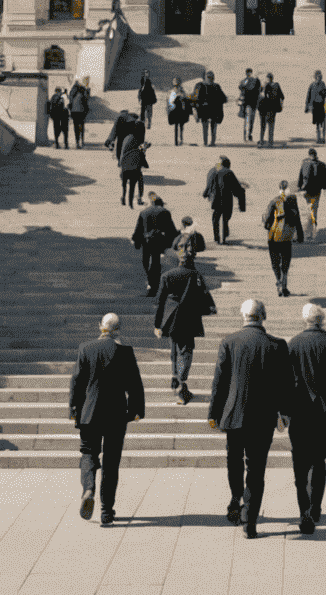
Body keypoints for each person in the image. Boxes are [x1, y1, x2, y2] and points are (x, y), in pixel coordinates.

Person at [208, 298, 292, 538]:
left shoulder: (230, 342)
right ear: (263, 316)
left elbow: (220, 382)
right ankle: (250, 521)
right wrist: (285, 413)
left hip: (234, 415)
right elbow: (285, 385)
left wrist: (213, 413)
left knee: (234, 460)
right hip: (263, 418)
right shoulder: (277, 345)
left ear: (243, 316)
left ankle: (236, 498)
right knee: (256, 469)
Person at [69, 312, 145, 526]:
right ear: (118, 329)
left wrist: (74, 409)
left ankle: (89, 489)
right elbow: (135, 384)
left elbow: (77, 382)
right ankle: (106, 511)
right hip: (115, 415)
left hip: (90, 413)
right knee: (111, 462)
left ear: (100, 326)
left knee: (88, 453)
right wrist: (136, 410)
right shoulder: (125, 352)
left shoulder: (86, 348)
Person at [287, 304, 326, 534]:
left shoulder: (293, 343)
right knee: (318, 459)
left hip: (299, 409)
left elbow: (287, 379)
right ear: (322, 320)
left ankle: (304, 510)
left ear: (305, 320)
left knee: (300, 461)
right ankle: (315, 508)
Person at [154, 246, 216, 405]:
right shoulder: (196, 275)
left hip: (172, 316)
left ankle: (175, 378)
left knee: (174, 347)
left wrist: (158, 325)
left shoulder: (167, 275)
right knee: (186, 350)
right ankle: (181, 382)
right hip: (190, 317)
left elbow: (159, 302)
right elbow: (204, 294)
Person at [132, 192, 179, 297]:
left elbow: (138, 228)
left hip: (146, 241)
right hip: (159, 241)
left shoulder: (144, 212)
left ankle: (151, 282)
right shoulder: (165, 212)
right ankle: (155, 285)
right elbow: (170, 229)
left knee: (146, 261)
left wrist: (136, 241)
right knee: (155, 262)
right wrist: (174, 240)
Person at [263, 179, 304, 297]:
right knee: (285, 262)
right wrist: (300, 236)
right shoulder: (293, 202)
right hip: (287, 237)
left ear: (279, 189)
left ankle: (279, 282)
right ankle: (284, 284)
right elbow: (298, 220)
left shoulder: (274, 201)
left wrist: (266, 225)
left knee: (275, 262)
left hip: (274, 237)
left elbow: (267, 221)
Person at [204, 155, 246, 243]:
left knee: (215, 218)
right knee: (225, 218)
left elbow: (209, 184)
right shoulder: (229, 172)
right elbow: (237, 189)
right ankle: (224, 236)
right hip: (227, 200)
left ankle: (216, 237)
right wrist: (242, 206)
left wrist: (206, 194)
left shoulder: (213, 171)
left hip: (216, 199)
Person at [297, 147, 326, 238]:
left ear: (309, 155)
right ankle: (312, 232)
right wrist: (324, 186)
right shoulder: (322, 165)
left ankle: (308, 231)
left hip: (306, 190)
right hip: (316, 191)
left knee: (309, 208)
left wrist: (299, 187)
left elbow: (300, 177)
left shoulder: (304, 163)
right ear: (316, 155)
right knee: (314, 210)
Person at [118, 135, 148, 207]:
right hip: (135, 172)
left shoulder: (124, 149)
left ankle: (123, 197)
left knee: (124, 184)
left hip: (124, 172)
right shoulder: (139, 152)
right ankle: (139, 198)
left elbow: (120, 162)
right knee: (140, 181)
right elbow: (146, 165)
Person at [198, 70, 226, 147]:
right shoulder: (204, 86)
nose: (210, 79)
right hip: (208, 110)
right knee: (208, 126)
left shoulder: (215, 86)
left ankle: (209, 142)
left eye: (211, 77)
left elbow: (223, 98)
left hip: (211, 110)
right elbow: (198, 98)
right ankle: (208, 142)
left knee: (209, 126)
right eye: (209, 77)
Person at [257, 72, 284, 146]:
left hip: (263, 109)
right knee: (271, 126)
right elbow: (282, 96)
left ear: (267, 78)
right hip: (272, 109)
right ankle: (270, 142)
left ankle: (262, 141)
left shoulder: (264, 86)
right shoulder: (276, 85)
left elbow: (259, 95)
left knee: (263, 126)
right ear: (272, 78)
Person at [166, 77, 191, 146]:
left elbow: (185, 101)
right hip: (175, 110)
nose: (176, 85)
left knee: (180, 125)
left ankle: (180, 138)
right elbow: (169, 102)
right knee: (178, 125)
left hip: (180, 110)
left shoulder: (180, 91)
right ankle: (178, 139)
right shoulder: (173, 91)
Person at [238, 68, 261, 143]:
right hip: (249, 103)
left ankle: (248, 135)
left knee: (249, 120)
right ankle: (247, 135)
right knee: (249, 120)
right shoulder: (246, 80)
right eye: (249, 73)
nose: (249, 74)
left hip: (251, 103)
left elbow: (259, 89)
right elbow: (241, 87)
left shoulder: (253, 80)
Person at [305, 70, 326, 144]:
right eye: (318, 76)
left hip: (322, 105)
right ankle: (318, 138)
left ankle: (323, 138)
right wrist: (307, 106)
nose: (319, 78)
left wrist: (323, 93)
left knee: (323, 122)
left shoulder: (322, 84)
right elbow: (308, 96)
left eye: (320, 76)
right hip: (315, 106)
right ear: (315, 77)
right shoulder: (312, 85)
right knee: (317, 123)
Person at [68, 78, 90, 147]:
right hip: (81, 112)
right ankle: (82, 141)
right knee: (81, 127)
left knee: (76, 128)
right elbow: (87, 98)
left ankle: (77, 142)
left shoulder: (72, 92)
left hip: (75, 112)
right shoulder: (82, 91)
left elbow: (70, 101)